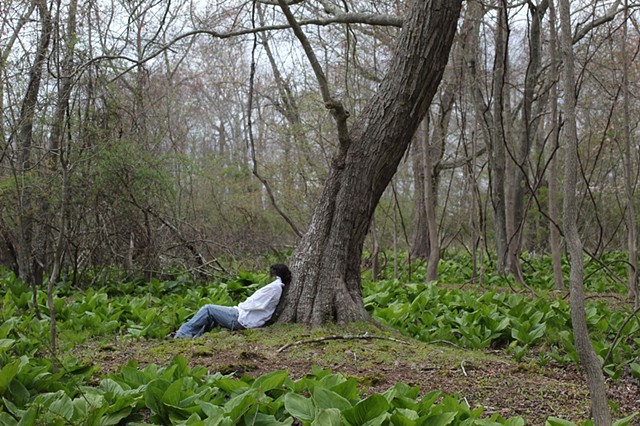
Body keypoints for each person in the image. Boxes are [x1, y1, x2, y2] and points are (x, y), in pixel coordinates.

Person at [174, 264, 291, 338]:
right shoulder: (276, 286)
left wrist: (242, 305)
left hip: (243, 318)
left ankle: (182, 335)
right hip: (245, 316)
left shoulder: (274, 287)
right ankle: (192, 336)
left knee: (208, 309)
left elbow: (257, 304)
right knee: (211, 315)